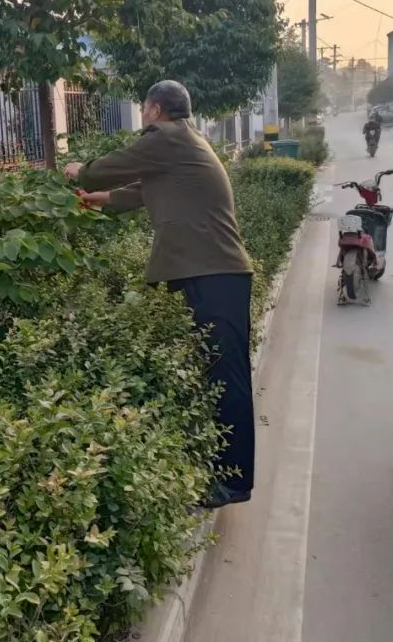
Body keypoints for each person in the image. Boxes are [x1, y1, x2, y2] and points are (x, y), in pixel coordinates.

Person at [63, 80, 254, 509]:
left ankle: (233, 482)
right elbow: (140, 191)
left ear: (154, 109)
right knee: (220, 376)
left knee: (228, 379)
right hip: (215, 273)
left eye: (144, 108)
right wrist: (99, 199)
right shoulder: (184, 143)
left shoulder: (166, 137)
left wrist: (80, 171)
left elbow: (116, 166)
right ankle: (224, 473)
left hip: (214, 273)